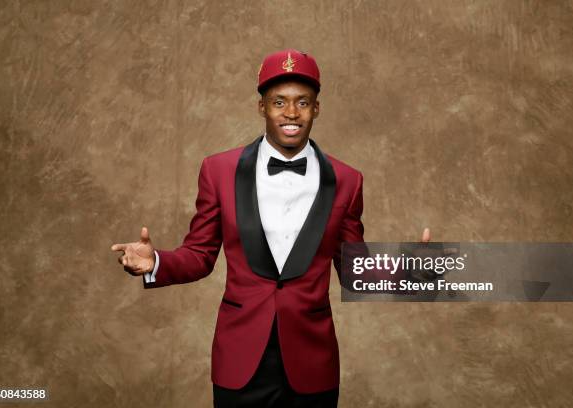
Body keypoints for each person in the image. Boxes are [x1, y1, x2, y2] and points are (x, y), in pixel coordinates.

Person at [111, 49, 431, 407]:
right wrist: (155, 261)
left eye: (303, 102)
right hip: (239, 359)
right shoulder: (218, 171)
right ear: (262, 107)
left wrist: (410, 273)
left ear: (317, 109)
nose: (291, 113)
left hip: (313, 363)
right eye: (279, 101)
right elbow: (199, 256)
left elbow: (355, 273)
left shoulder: (347, 180)